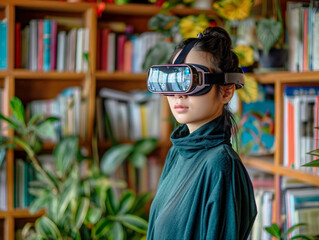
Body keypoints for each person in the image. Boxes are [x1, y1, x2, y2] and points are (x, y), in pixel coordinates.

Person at [146, 26, 257, 240]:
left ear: (226, 91)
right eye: (173, 80)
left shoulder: (221, 165)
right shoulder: (178, 152)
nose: (179, 94)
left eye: (192, 81)